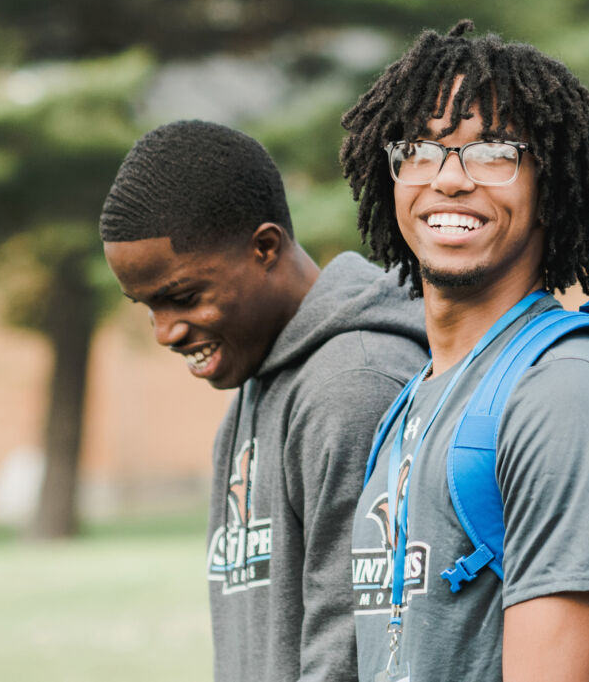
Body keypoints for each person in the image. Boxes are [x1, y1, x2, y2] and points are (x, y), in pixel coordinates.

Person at [340, 22, 589, 682]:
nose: (450, 180)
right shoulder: (417, 400)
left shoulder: (565, 392)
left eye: (492, 154)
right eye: (421, 150)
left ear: (547, 184)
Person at [99, 120, 428, 682]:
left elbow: (353, 645)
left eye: (183, 298)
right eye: (146, 306)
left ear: (265, 248)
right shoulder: (259, 376)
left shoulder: (354, 387)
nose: (164, 332)